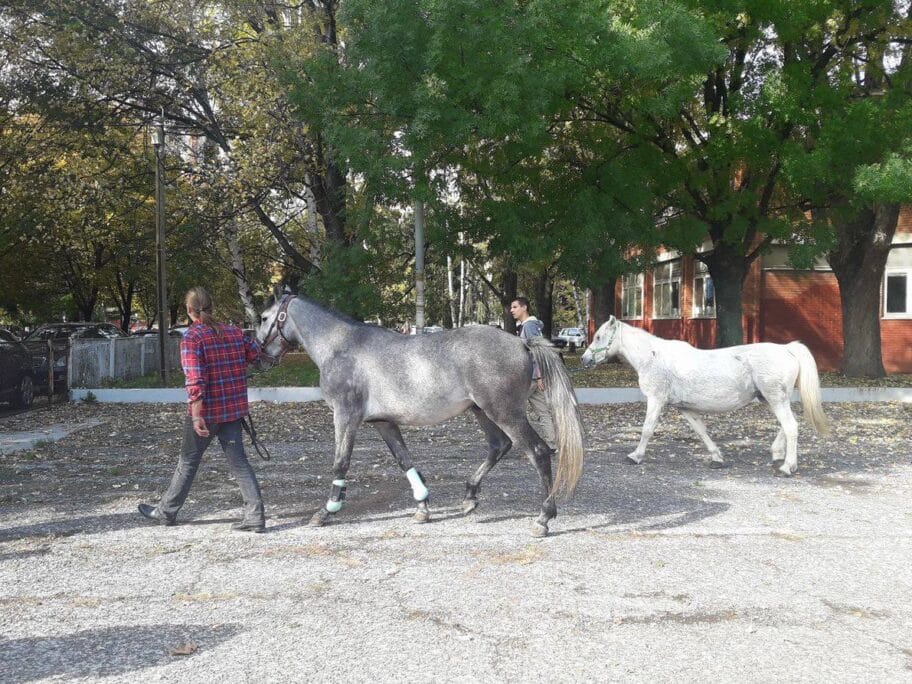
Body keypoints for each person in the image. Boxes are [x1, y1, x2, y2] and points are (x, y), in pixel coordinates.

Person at [138, 287, 266, 532]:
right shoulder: (234, 332)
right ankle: (255, 517)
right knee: (239, 463)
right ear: (212, 307)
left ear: (189, 310)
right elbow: (256, 353)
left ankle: (166, 512)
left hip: (206, 413)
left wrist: (196, 415)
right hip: (232, 411)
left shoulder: (192, 338)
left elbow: (195, 381)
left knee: (187, 462)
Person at [509, 296, 556, 449]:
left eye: (515, 307)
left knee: (511, 410)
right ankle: (552, 445)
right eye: (511, 307)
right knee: (543, 412)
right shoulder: (530, 326)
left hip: (531, 378)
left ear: (524, 308)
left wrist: (540, 375)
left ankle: (522, 443)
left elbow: (537, 352)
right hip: (535, 377)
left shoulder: (528, 326)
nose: (512, 310)